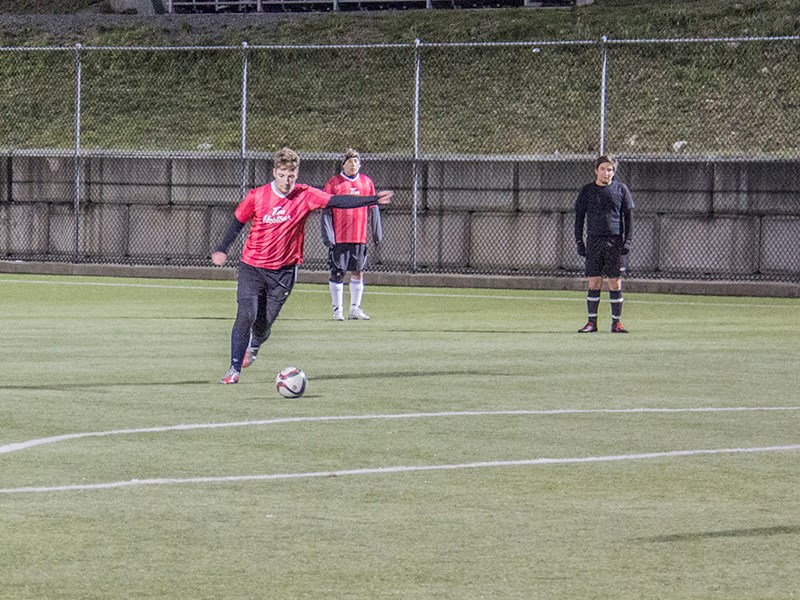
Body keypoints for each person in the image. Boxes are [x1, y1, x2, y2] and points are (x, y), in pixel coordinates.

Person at [211, 147, 393, 384]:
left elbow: (337, 201)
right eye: (283, 175)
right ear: (275, 172)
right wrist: (223, 248)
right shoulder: (257, 196)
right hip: (252, 267)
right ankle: (234, 369)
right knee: (246, 314)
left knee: (263, 325)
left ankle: (254, 346)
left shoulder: (305, 195)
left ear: (296, 175)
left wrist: (373, 199)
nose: (287, 181)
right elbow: (237, 222)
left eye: (292, 176)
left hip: (284, 272)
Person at [574, 154, 634, 333]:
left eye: (610, 170)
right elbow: (579, 218)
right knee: (594, 281)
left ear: (614, 172)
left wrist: (627, 241)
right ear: (596, 170)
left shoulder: (621, 190)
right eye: (603, 169)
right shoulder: (587, 191)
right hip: (593, 240)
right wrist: (579, 241)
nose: (606, 173)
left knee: (614, 282)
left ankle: (616, 323)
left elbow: (628, 217)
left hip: (614, 241)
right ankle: (592, 322)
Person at [320, 148, 383, 321]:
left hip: (359, 237)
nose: (353, 164)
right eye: (350, 161)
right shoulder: (334, 184)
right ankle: (337, 310)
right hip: (339, 238)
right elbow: (326, 210)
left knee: (358, 272)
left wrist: (377, 233)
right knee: (338, 272)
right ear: (343, 164)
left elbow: (374, 208)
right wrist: (328, 236)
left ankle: (355, 309)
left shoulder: (366, 183)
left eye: (356, 161)